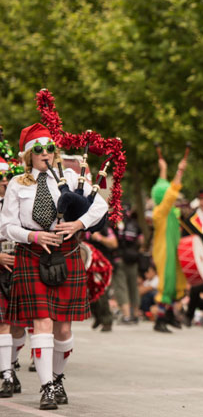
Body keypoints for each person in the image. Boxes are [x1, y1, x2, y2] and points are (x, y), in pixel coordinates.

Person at [0, 124, 108, 409]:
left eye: (49, 148)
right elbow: (6, 225)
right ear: (28, 156)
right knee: (41, 322)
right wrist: (32, 235)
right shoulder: (16, 184)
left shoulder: (71, 178)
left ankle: (58, 377)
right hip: (32, 253)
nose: (45, 153)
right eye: (38, 149)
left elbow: (100, 207)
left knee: (63, 329)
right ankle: (47, 386)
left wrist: (79, 223)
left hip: (66, 252)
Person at [150, 152, 188, 333]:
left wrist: (163, 169)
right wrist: (179, 172)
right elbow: (169, 193)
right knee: (166, 284)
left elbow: (164, 190)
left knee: (174, 284)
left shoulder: (170, 211)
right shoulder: (160, 212)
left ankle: (170, 314)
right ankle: (160, 319)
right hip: (164, 252)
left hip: (173, 249)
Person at [1, 156, 27, 398]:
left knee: (18, 327)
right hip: (0, 268)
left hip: (22, 267)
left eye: (7, 177)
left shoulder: (20, 200)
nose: (4, 181)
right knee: (4, 324)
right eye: (1, 178)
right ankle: (6, 374)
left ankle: (11, 365)